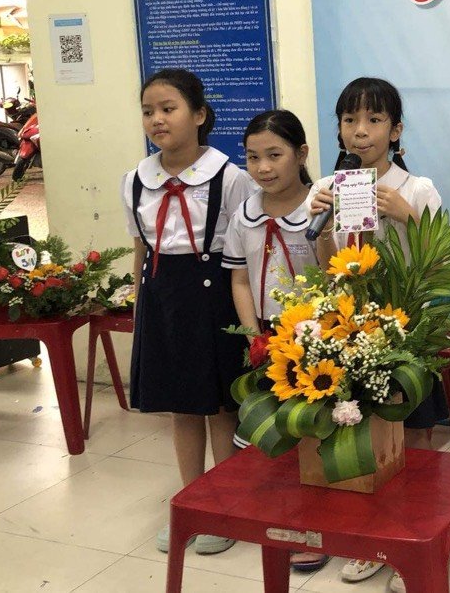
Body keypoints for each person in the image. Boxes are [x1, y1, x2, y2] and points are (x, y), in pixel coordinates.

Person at [306, 77, 446, 593]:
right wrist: (323, 227)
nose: (360, 131)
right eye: (349, 120)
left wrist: (407, 216)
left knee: (414, 438)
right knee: (364, 439)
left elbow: (442, 260)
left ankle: (415, 545)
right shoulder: (328, 187)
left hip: (408, 331)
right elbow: (328, 268)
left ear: (396, 130)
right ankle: (372, 541)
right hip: (352, 330)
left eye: (374, 120)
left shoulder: (418, 188)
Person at [122, 68, 256, 555]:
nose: (156, 119)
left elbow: (243, 248)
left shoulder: (231, 177)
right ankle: (192, 501)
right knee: (181, 405)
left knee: (219, 405)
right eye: (148, 111)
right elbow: (140, 246)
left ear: (199, 115)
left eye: (168, 109)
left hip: (214, 293)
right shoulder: (136, 180)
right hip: (163, 295)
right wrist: (138, 300)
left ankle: (226, 504)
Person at [222, 109, 335, 572]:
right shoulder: (244, 215)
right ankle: (282, 518)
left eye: (275, 155)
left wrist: (325, 228)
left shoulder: (319, 207)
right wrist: (253, 335)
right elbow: (239, 279)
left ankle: (318, 525)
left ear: (301, 154)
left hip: (316, 337)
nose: (263, 167)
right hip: (266, 336)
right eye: (253, 157)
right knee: (273, 431)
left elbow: (333, 275)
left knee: (312, 432)